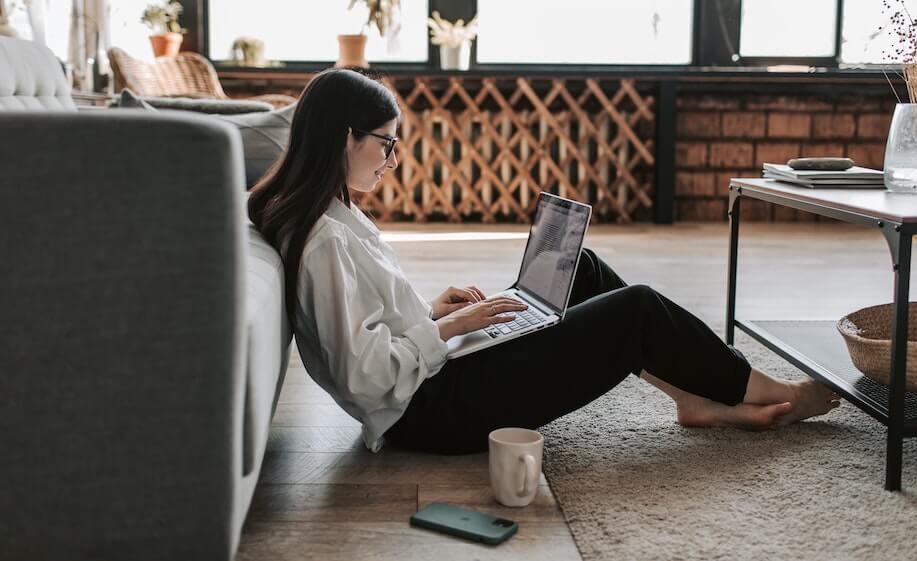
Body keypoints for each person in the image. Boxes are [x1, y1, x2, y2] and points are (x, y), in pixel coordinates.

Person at [248, 69, 840, 455]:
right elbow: (365, 377)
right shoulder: (326, 239)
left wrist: (433, 310)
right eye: (387, 143)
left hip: (432, 379)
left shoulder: (334, 216)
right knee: (636, 310)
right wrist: (447, 329)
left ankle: (691, 397)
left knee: (577, 266)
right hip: (427, 414)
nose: (393, 160)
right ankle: (764, 389)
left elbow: (366, 330)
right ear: (346, 137)